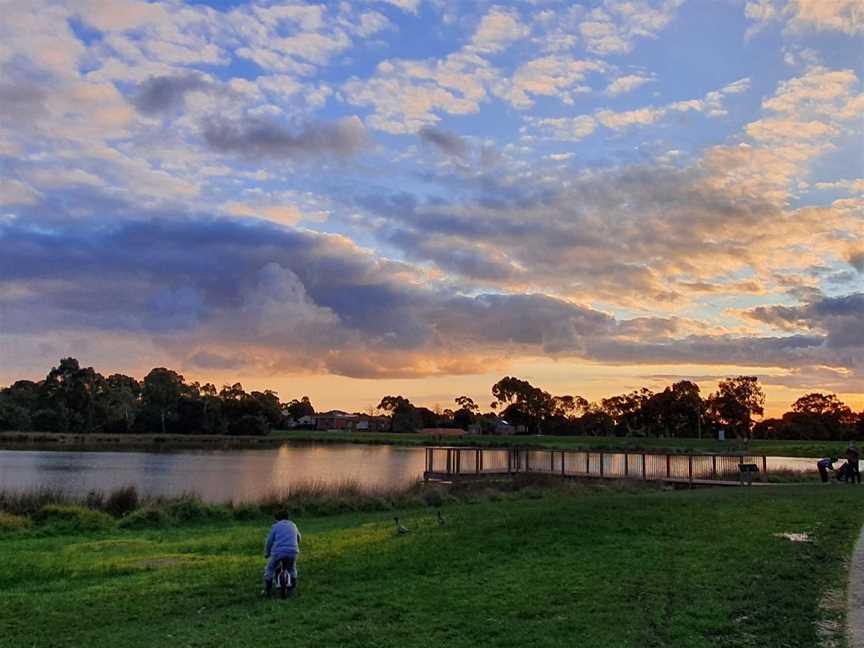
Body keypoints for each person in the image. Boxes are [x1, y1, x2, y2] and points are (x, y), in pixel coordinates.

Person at [263, 510, 301, 597]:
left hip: (278, 552)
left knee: (270, 569)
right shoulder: (293, 525)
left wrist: (267, 553)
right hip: (293, 551)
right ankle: (292, 588)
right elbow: (298, 537)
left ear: (277, 518)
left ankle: (267, 591)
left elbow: (269, 541)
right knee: (292, 568)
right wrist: (295, 545)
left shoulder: (275, 526)